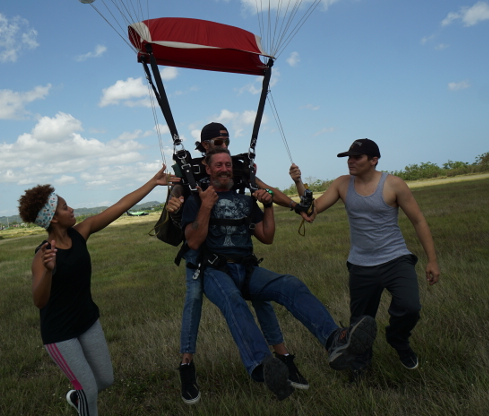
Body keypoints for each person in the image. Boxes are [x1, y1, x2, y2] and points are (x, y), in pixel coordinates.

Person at [182, 148, 377, 400]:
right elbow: (194, 242)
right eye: (218, 165)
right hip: (215, 271)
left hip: (247, 269)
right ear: (207, 169)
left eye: (228, 165)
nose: (224, 169)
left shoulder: (245, 200)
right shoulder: (196, 200)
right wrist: (207, 206)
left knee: (290, 284)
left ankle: (335, 340)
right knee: (233, 300)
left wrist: (268, 206)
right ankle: (263, 365)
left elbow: (267, 237)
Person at [166, 123, 309, 404]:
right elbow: (176, 193)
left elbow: (267, 189)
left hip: (236, 252)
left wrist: (295, 206)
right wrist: (173, 202)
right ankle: (186, 364)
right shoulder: (192, 170)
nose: (223, 144)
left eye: (227, 140)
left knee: (262, 297)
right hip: (202, 251)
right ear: (204, 145)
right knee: (193, 298)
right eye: (218, 140)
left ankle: (282, 358)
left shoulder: (234, 168)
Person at [18, 166, 169, 416]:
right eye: (65, 207)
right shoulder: (43, 255)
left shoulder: (81, 233)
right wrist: (47, 270)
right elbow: (39, 301)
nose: (71, 210)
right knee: (88, 389)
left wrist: (152, 183)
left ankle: (78, 399)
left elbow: (118, 207)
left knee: (105, 380)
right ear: (53, 218)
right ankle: (83, 400)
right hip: (60, 334)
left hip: (87, 321)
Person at [296, 138, 440, 377]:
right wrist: (298, 182)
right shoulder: (342, 184)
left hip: (396, 258)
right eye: (349, 157)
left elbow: (418, 220)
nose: (351, 162)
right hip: (361, 264)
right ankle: (360, 366)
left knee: (410, 307)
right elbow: (311, 211)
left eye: (357, 157)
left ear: (374, 160)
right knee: (360, 322)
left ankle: (398, 339)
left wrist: (432, 260)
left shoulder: (394, 184)